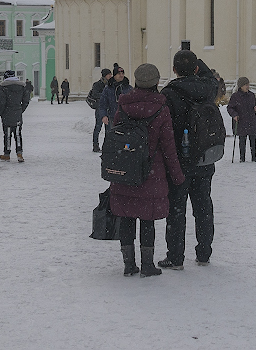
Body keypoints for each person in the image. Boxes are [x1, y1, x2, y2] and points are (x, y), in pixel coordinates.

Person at [109, 62, 185, 277]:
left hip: (125, 170)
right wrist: (177, 176)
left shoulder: (123, 105)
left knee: (126, 217)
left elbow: (116, 136)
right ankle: (148, 265)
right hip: (151, 173)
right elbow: (169, 147)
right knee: (147, 219)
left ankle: (128, 263)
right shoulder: (161, 108)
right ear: (156, 82)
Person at [160, 50, 220, 268]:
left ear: (174, 70)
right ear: (196, 68)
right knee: (203, 207)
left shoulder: (169, 93)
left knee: (176, 210)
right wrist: (198, 66)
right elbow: (211, 79)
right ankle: (204, 253)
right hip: (204, 157)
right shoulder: (207, 89)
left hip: (178, 160)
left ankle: (175, 257)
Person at [0, 69, 30, 163]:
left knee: (7, 134)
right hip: (17, 113)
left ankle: (7, 154)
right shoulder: (22, 86)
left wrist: (0, 113)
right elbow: (26, 100)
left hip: (6, 114)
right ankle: (19, 153)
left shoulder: (3, 87)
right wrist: (20, 109)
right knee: (18, 134)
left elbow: (1, 102)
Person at [226, 75, 256, 162]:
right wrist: (234, 115)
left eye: (248, 84)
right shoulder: (235, 96)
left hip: (251, 120)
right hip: (241, 121)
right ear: (241, 86)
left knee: (253, 139)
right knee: (242, 140)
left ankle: (254, 157)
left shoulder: (251, 95)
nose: (247, 87)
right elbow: (230, 108)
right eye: (246, 85)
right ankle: (242, 157)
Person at [87, 69, 113, 152]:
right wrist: (105, 94)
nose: (110, 76)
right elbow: (95, 94)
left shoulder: (111, 84)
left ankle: (107, 146)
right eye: (109, 74)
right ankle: (95, 145)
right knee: (98, 127)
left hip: (109, 109)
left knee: (108, 129)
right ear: (104, 75)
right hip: (100, 109)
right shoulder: (97, 84)